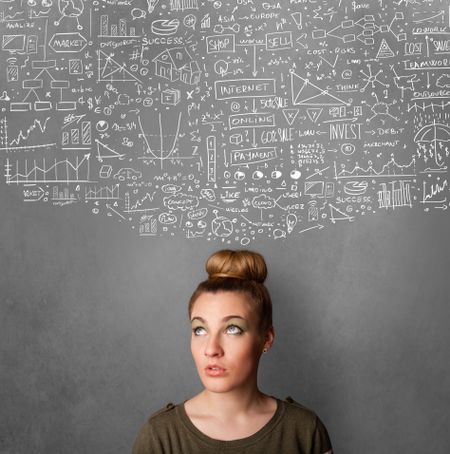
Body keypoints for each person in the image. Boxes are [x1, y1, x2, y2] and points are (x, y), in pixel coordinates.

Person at [132, 249, 333, 453]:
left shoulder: (305, 431)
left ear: (267, 338)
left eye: (232, 329)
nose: (211, 349)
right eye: (200, 330)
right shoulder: (160, 436)